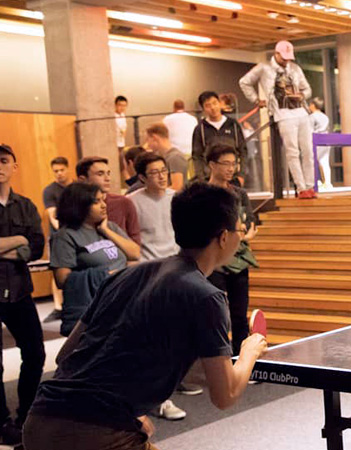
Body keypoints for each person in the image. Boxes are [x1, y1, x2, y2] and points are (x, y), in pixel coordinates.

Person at [24, 183, 269, 450]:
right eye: (239, 229)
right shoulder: (206, 297)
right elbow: (226, 394)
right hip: (94, 433)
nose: (241, 236)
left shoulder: (124, 275)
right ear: (224, 237)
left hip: (41, 420)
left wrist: (132, 411)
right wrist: (249, 350)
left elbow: (66, 356)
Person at [128, 152, 198, 420]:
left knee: (178, 337)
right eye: (154, 172)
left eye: (163, 170)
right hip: (148, 274)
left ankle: (167, 386)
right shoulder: (131, 202)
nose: (161, 175)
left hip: (177, 270)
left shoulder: (176, 199)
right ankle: (159, 399)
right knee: (153, 339)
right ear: (142, 177)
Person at [0, 144, 46, 447]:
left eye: (4, 161)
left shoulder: (26, 205)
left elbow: (36, 247)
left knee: (36, 353)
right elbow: (24, 243)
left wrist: (13, 242)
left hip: (19, 290)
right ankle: (1, 422)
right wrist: (17, 240)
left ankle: (26, 412)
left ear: (14, 167)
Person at [50, 182, 140, 336]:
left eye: (103, 200)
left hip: (123, 300)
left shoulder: (110, 227)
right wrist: (105, 275)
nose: (103, 205)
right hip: (95, 307)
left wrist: (105, 230)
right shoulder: (65, 236)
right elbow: (62, 279)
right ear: (79, 205)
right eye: (96, 202)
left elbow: (134, 253)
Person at [239, 40, 316, 198]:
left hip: (301, 112)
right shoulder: (263, 68)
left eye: (288, 57)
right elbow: (244, 82)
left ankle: (310, 186)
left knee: (308, 150)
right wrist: (256, 99)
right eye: (284, 57)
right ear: (276, 54)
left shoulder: (295, 69)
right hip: (282, 114)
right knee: (292, 151)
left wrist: (301, 95)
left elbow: (307, 88)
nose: (286, 61)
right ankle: (301, 188)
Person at [206, 144, 259, 356]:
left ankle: (240, 357)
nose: (231, 168)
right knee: (216, 313)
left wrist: (241, 234)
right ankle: (217, 359)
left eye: (233, 164)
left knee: (239, 313)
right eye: (225, 163)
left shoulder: (239, 193)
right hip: (214, 261)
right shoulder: (203, 193)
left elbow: (250, 223)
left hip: (238, 259)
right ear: (211, 165)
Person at [77, 156, 141, 244]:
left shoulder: (123, 202)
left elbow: (135, 242)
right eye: (100, 174)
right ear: (82, 180)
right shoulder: (74, 207)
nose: (107, 179)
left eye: (108, 173)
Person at [191, 91, 247, 186]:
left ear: (220, 103)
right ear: (203, 109)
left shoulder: (233, 125)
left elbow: (243, 151)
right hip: (210, 179)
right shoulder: (200, 129)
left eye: (215, 103)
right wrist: (201, 178)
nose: (213, 108)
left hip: (232, 177)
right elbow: (197, 156)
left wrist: (241, 175)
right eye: (208, 105)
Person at [42, 156, 71, 323]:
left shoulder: (76, 188)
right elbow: (53, 216)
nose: (59, 174)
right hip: (59, 236)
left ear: (68, 168)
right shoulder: (50, 191)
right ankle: (58, 307)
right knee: (57, 269)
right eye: (56, 171)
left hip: (79, 233)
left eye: (62, 170)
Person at [145, 122, 189, 191]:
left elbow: (177, 187)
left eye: (147, 140)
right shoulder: (163, 157)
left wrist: (154, 192)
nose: (148, 145)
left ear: (154, 138)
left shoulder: (175, 157)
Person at [308, 97, 332, 190]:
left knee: (313, 162)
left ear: (313, 105)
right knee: (325, 162)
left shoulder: (312, 117)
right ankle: (328, 182)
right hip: (325, 140)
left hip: (316, 140)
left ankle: (316, 181)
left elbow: (309, 130)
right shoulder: (325, 117)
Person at [115, 95, 129, 179]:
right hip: (115, 143)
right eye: (120, 105)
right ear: (116, 105)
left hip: (121, 143)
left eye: (124, 105)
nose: (122, 107)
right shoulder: (113, 115)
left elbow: (124, 129)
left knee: (122, 164)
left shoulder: (123, 115)